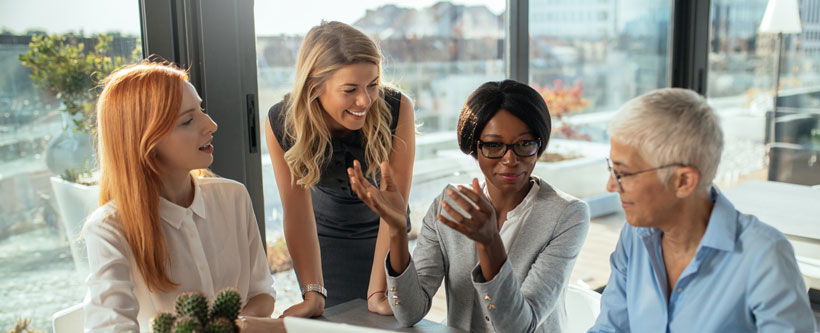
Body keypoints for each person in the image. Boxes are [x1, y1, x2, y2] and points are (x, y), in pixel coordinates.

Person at [348, 80, 590, 332]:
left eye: (525, 144)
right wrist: (397, 230)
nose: (511, 159)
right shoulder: (448, 206)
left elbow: (520, 327)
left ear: (539, 144)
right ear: (473, 147)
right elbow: (409, 312)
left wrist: (490, 243)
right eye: (494, 145)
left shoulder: (567, 215)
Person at [588, 88, 815, 332]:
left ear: (684, 181)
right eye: (612, 168)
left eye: (623, 173)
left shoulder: (763, 256)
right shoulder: (634, 237)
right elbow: (610, 328)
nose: (610, 185)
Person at [83, 62, 275, 331]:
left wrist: (227, 327)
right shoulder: (108, 228)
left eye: (201, 109)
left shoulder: (234, 197)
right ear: (145, 141)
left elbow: (262, 293)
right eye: (187, 120)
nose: (211, 124)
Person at [265, 21, 415, 315]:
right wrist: (312, 294)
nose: (365, 100)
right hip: (325, 242)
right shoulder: (282, 123)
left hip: (390, 236)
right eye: (350, 89)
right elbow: (296, 215)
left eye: (373, 84)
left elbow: (396, 206)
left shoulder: (398, 108)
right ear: (314, 86)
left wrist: (378, 291)